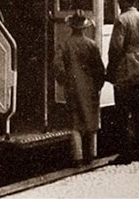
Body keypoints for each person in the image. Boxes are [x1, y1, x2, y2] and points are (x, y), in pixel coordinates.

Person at [106, 0, 139, 165]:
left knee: (122, 113)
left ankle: (125, 153)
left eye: (120, 0)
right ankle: (138, 151)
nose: (118, 4)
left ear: (126, 1)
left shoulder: (122, 20)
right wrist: (138, 55)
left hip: (124, 71)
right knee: (138, 112)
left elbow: (115, 48)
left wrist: (111, 69)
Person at [53, 10, 105, 167]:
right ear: (84, 27)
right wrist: (98, 85)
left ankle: (78, 158)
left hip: (73, 87)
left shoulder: (64, 44)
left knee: (75, 122)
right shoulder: (91, 45)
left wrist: (65, 81)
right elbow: (99, 69)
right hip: (90, 87)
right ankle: (92, 155)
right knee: (92, 119)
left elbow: (57, 66)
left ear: (71, 27)